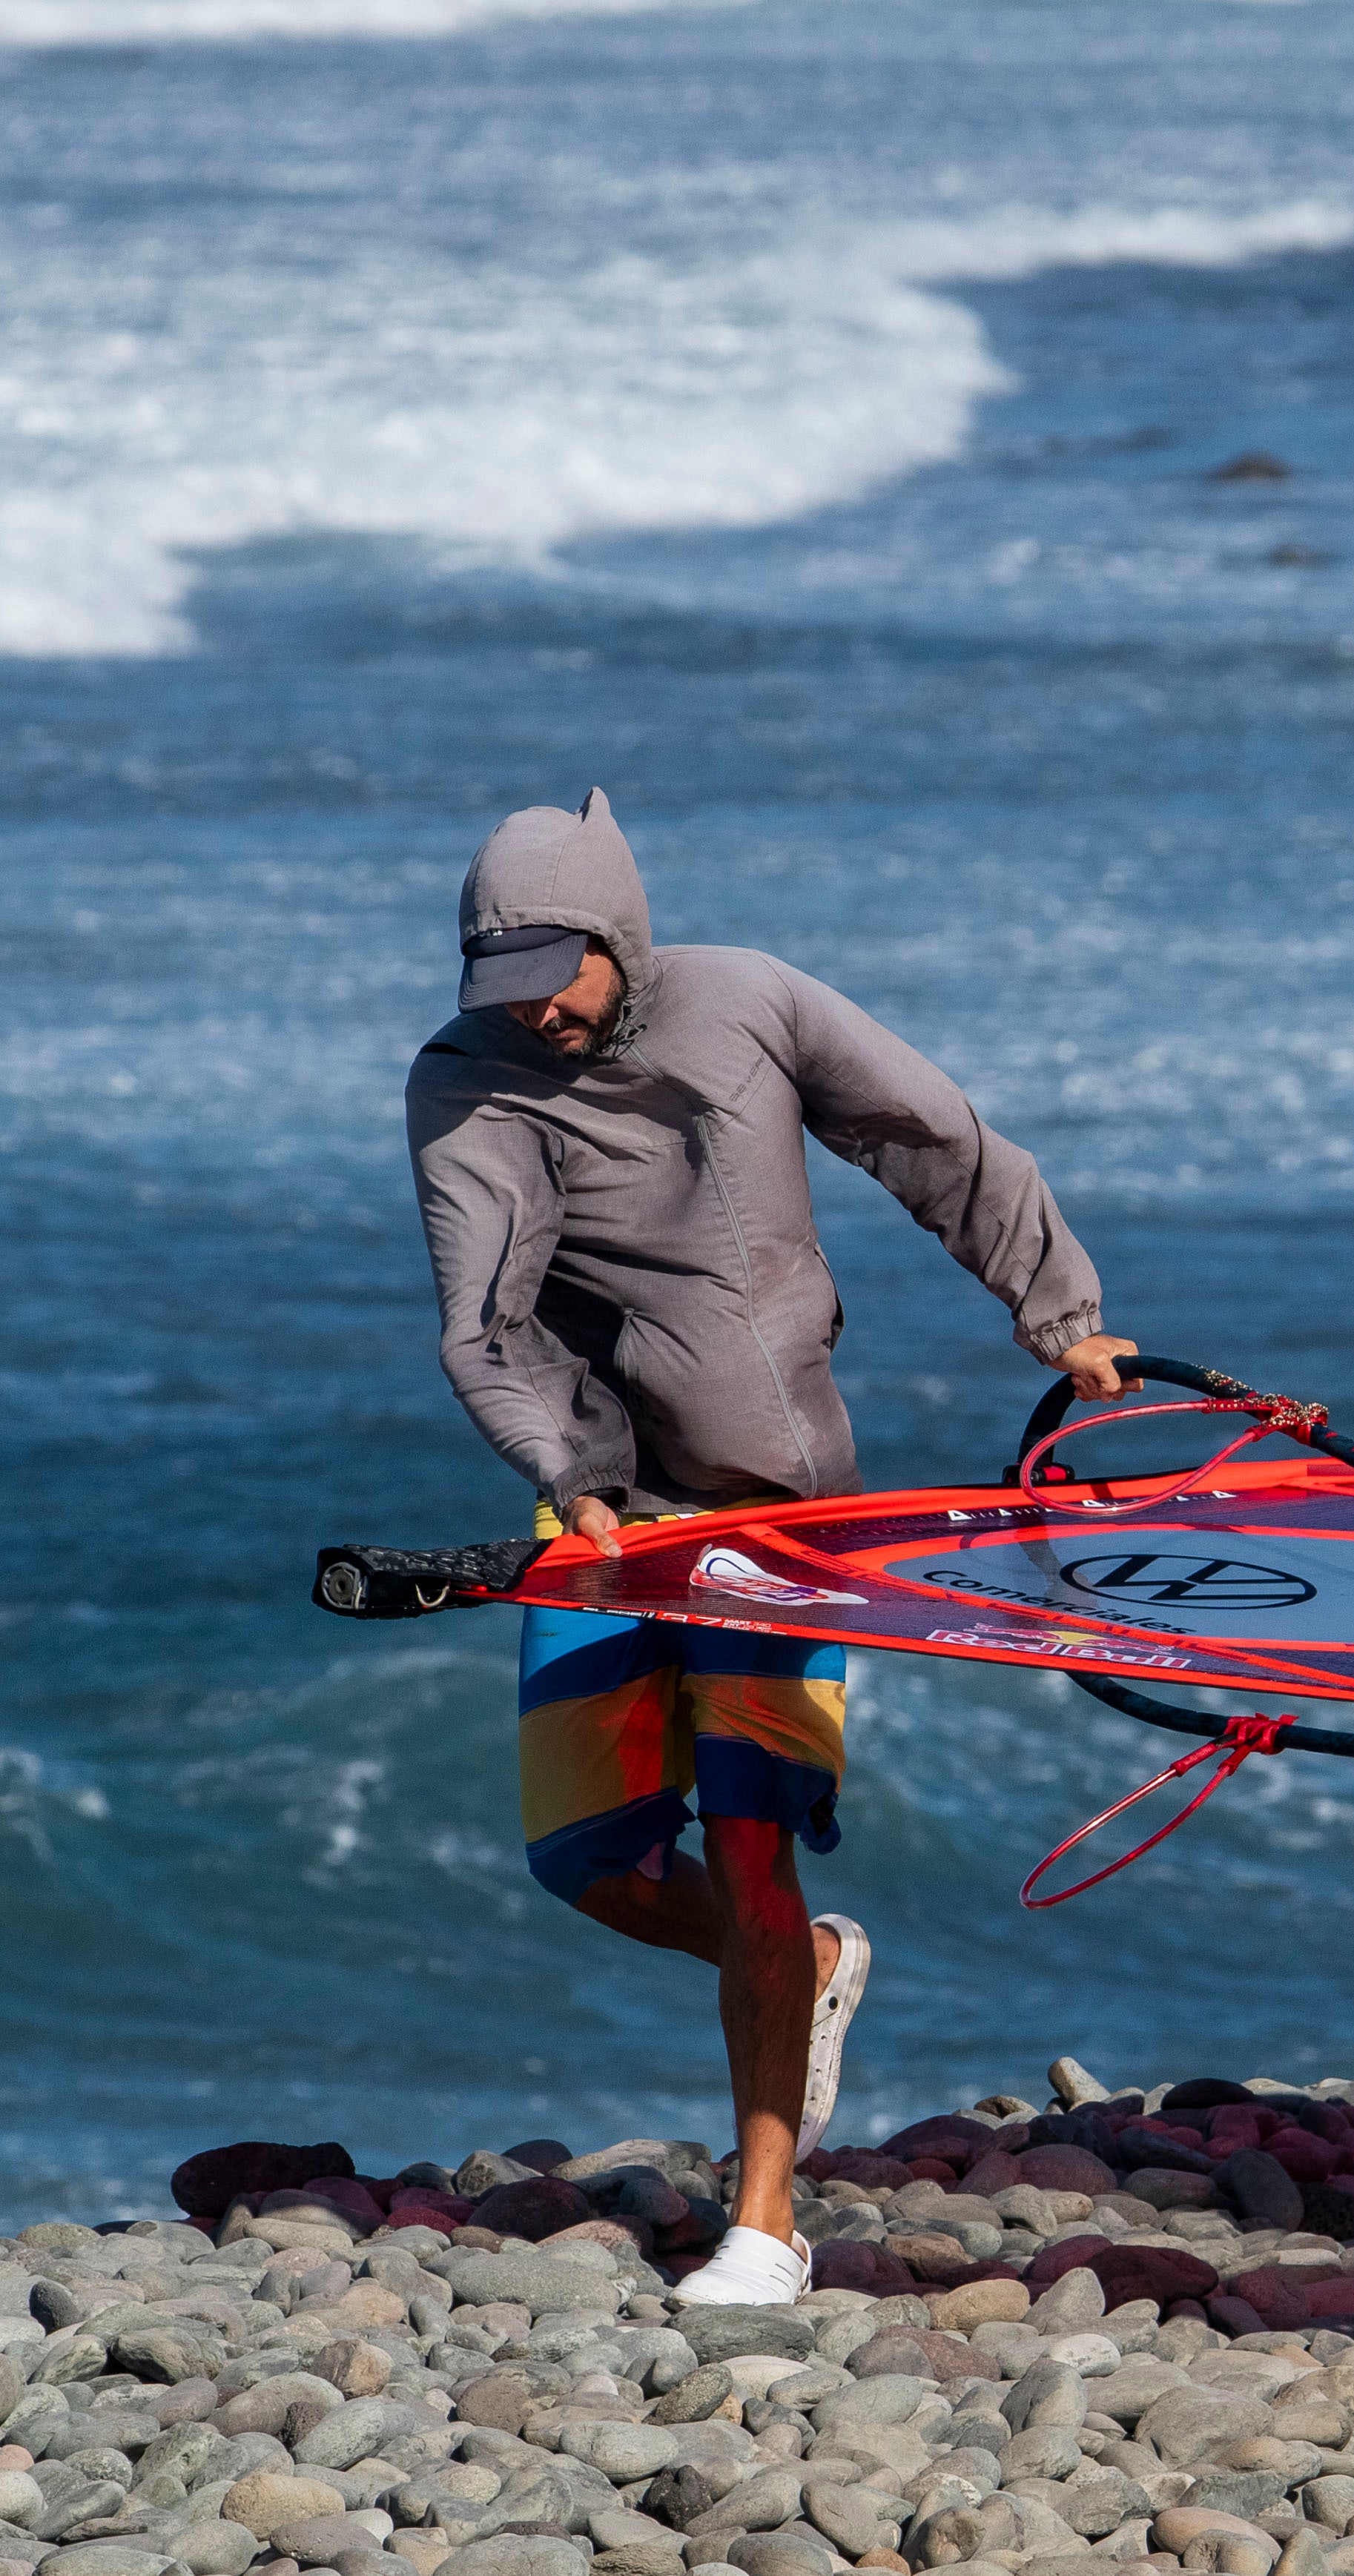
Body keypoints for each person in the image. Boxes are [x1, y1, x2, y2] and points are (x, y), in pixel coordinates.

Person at [408, 789, 1135, 2302]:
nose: (534, 1008)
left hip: (782, 1521)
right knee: (589, 1864)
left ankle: (765, 2223)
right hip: (608, 1520)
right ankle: (805, 1969)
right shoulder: (468, 1078)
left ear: (619, 935)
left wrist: (1057, 1312)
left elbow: (935, 1140)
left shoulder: (750, 1001)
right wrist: (567, 1470)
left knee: (749, 1847)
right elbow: (485, 1318)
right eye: (503, 983)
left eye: (555, 973)